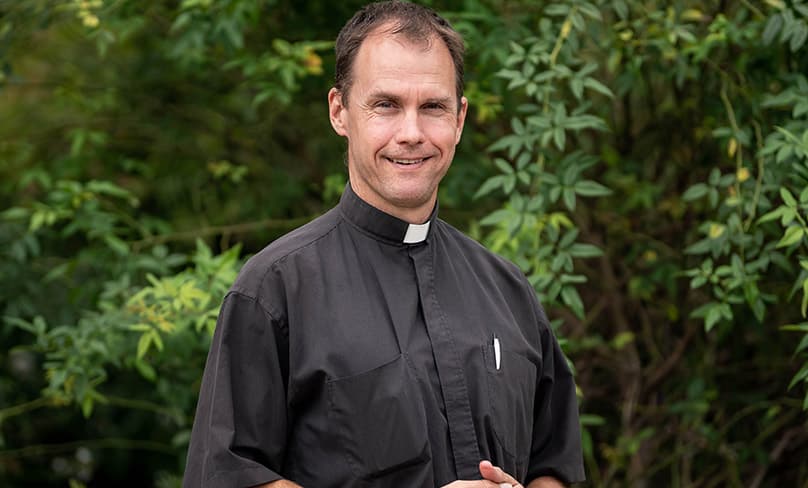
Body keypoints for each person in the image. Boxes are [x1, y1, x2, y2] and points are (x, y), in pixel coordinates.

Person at [182, 1, 585, 487]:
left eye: (432, 107)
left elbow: (555, 465)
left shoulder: (507, 289)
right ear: (340, 112)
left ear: (459, 119)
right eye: (386, 105)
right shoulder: (274, 291)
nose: (411, 133)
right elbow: (228, 478)